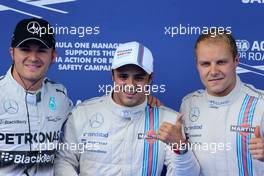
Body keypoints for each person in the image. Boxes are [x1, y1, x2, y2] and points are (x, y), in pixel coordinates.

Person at [54, 41, 200, 176]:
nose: (130, 84)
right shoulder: (83, 114)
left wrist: (181, 148)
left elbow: (189, 174)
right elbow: (64, 161)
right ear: (112, 75)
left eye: (138, 78)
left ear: (150, 79)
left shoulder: (168, 120)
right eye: (123, 76)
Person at [180, 30, 264, 175]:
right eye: (205, 64)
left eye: (221, 62)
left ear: (236, 61)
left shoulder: (261, 103)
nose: (213, 71)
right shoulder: (189, 104)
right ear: (197, 66)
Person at [0, 18, 72, 175]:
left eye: (41, 50)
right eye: (25, 49)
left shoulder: (60, 96)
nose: (33, 57)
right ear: (12, 53)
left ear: (53, 56)